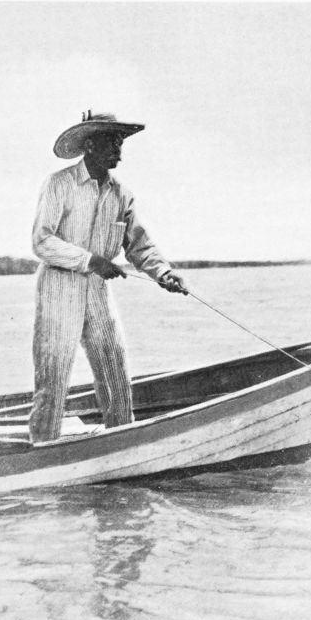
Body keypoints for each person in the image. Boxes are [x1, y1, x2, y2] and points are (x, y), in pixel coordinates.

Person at [29, 110, 188, 443]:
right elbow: (42, 242)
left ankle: (123, 445)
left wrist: (164, 273)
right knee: (52, 382)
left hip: (98, 292)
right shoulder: (59, 184)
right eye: (112, 142)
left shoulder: (122, 195)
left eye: (120, 143)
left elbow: (139, 245)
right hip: (58, 290)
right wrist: (90, 260)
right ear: (90, 145)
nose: (119, 151)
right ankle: (43, 449)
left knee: (116, 374)